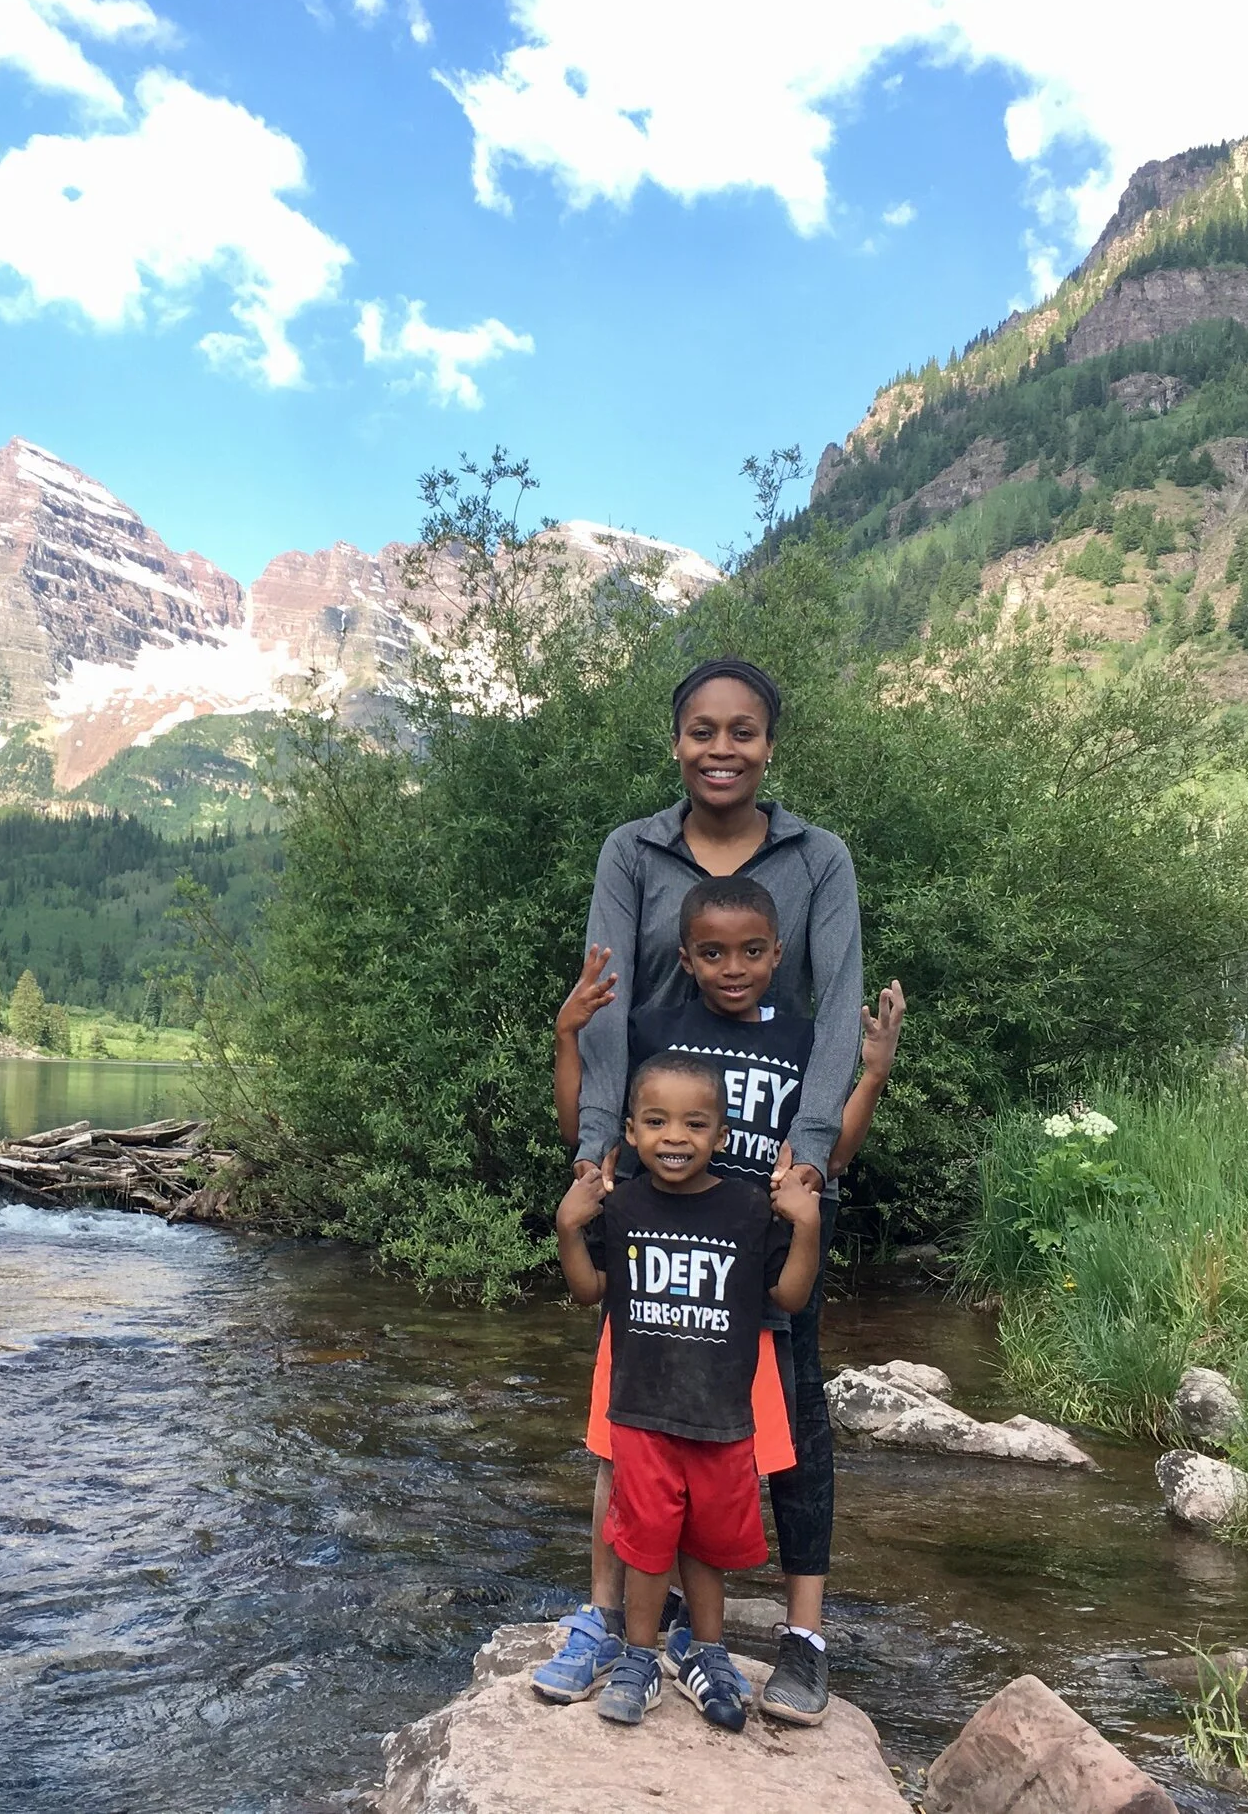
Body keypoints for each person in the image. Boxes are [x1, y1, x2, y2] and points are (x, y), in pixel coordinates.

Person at [552, 657, 870, 1719]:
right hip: (659, 1180)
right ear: (675, 740)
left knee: (790, 1417)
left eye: (742, 731)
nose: (720, 749)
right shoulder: (629, 851)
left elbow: (836, 1015)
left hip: (768, 1190)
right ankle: (632, 1628)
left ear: (770, 744)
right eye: (700, 730)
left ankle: (802, 1635)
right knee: (636, 1416)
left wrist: (811, 1159)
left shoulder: (816, 857)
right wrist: (599, 1150)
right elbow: (603, 1007)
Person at [543, 902, 903, 1724]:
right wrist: (569, 1037)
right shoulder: (650, 1033)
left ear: (778, 954)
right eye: (712, 950)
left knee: (720, 1489)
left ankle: (705, 1647)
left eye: (750, 951)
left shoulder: (798, 1045)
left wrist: (872, 1073)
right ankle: (617, 1634)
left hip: (740, 1309)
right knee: (624, 1470)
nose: (732, 966)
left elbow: (827, 1154)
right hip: (647, 1319)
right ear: (685, 955)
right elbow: (590, 1126)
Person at [553, 1053, 823, 1732]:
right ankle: (639, 1659)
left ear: (722, 1136)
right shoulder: (625, 1205)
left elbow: (787, 1296)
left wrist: (807, 1226)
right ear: (632, 1133)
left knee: (704, 1547)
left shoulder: (746, 1207)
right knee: (646, 1544)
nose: (675, 1136)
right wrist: (567, 1228)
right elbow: (591, 1292)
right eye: (656, 1121)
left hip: (724, 1418)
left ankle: (709, 1653)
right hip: (641, 1413)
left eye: (694, 1122)